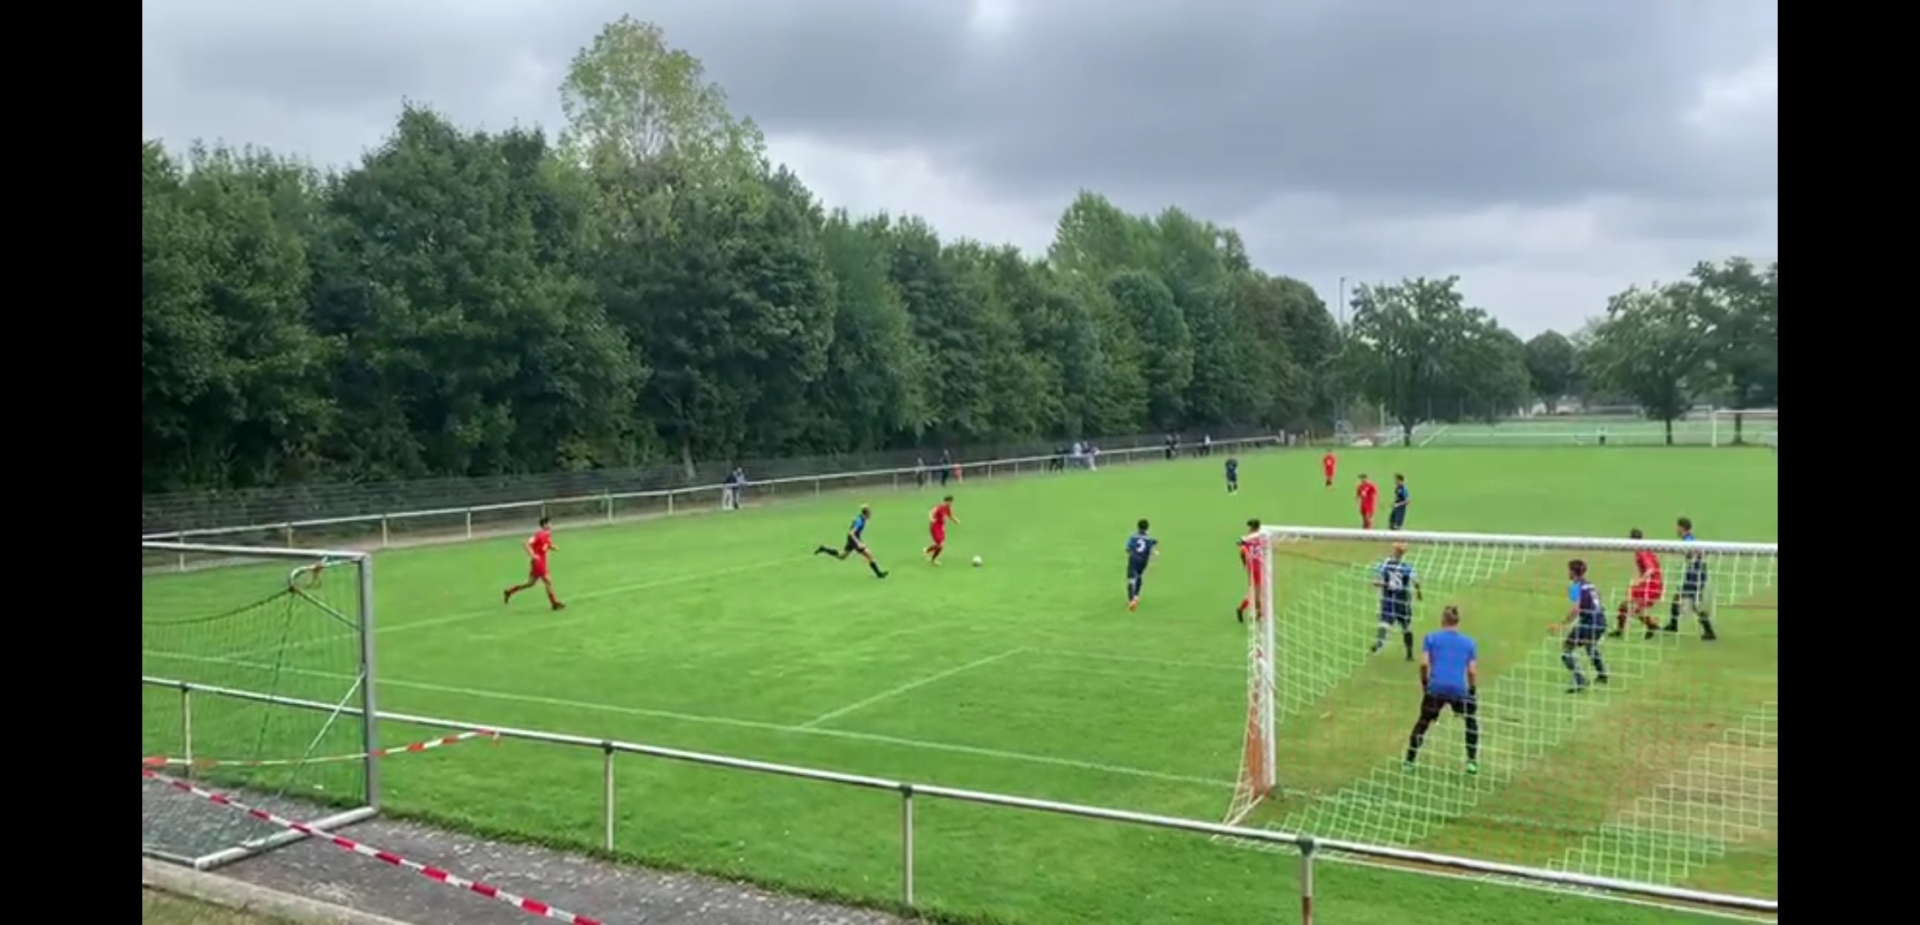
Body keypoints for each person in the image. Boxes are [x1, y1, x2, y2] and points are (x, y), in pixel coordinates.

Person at [1405, 605, 1480, 775]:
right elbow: (1472, 671)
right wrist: (1472, 689)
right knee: (1471, 721)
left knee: (1423, 722)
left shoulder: (1431, 638)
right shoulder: (1469, 643)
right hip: (1458, 689)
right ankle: (1472, 762)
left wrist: (1425, 682)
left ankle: (1409, 761)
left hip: (1436, 687)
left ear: (1442, 620)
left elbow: (1424, 664)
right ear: (1457, 621)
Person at [1557, 559, 1610, 692]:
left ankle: (1580, 680)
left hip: (1589, 622)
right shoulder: (1591, 585)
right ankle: (1602, 674)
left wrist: (1563, 623)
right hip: (1601, 620)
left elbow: (1576, 609)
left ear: (1572, 572)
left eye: (1569, 570)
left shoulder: (1575, 587)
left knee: (1567, 648)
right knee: (1590, 645)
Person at [1667, 517, 1718, 640]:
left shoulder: (1689, 540)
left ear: (1682, 528)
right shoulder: (1689, 539)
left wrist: (1677, 551)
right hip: (1694, 574)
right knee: (1690, 602)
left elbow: (1693, 552)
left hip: (1695, 575)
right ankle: (1674, 625)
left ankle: (1674, 625)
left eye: (1677, 527)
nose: (1676, 530)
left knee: (1688, 601)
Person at [1371, 542, 1422, 660]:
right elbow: (1416, 581)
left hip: (1388, 599)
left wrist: (1384, 584)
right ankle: (1409, 654)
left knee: (1384, 623)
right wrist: (1419, 593)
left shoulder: (1385, 565)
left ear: (1395, 551)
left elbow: (1376, 582)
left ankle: (1379, 643)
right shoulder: (1406, 567)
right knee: (1406, 626)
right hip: (1402, 600)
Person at [502, 516, 565, 611]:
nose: (551, 525)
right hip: (538, 562)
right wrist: (532, 555)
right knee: (548, 581)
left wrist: (553, 547)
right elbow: (526, 543)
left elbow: (546, 545)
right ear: (544, 525)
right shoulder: (539, 535)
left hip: (541, 562)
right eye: (549, 523)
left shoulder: (547, 535)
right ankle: (554, 604)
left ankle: (509, 591)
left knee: (530, 583)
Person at [1613, 528, 1663, 639]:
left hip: (1651, 585)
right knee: (1628, 607)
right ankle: (1650, 625)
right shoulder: (1642, 549)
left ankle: (1651, 625)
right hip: (1652, 583)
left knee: (1631, 607)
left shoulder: (1642, 551)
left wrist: (1639, 581)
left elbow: (1651, 569)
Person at [814, 505, 888, 578]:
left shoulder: (861, 518)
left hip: (852, 539)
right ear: (866, 514)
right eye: (870, 513)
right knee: (868, 554)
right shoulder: (860, 521)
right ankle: (879, 574)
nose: (870, 515)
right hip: (853, 539)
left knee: (842, 556)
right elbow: (851, 533)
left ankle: (823, 548)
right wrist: (858, 543)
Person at [1125, 519, 1158, 611]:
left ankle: (1131, 600)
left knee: (1131, 579)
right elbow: (1151, 546)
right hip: (1143, 560)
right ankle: (1136, 596)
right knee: (1139, 575)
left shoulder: (1133, 537)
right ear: (1147, 528)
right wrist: (1155, 552)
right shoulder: (1149, 539)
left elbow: (1128, 548)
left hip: (1134, 558)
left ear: (1138, 527)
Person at [1236, 519, 1263, 623]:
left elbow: (1241, 550)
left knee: (1256, 590)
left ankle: (1257, 612)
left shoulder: (1246, 538)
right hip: (1257, 567)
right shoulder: (1262, 537)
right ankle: (1252, 611)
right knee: (1257, 591)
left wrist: (1244, 563)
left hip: (1252, 566)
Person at [925, 495, 959, 565]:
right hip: (935, 527)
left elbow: (950, 515)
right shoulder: (939, 507)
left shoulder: (948, 508)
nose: (952, 504)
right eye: (951, 502)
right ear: (947, 501)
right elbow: (931, 512)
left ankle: (927, 550)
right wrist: (931, 518)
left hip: (941, 528)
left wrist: (956, 521)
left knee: (940, 545)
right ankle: (933, 559)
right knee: (940, 545)